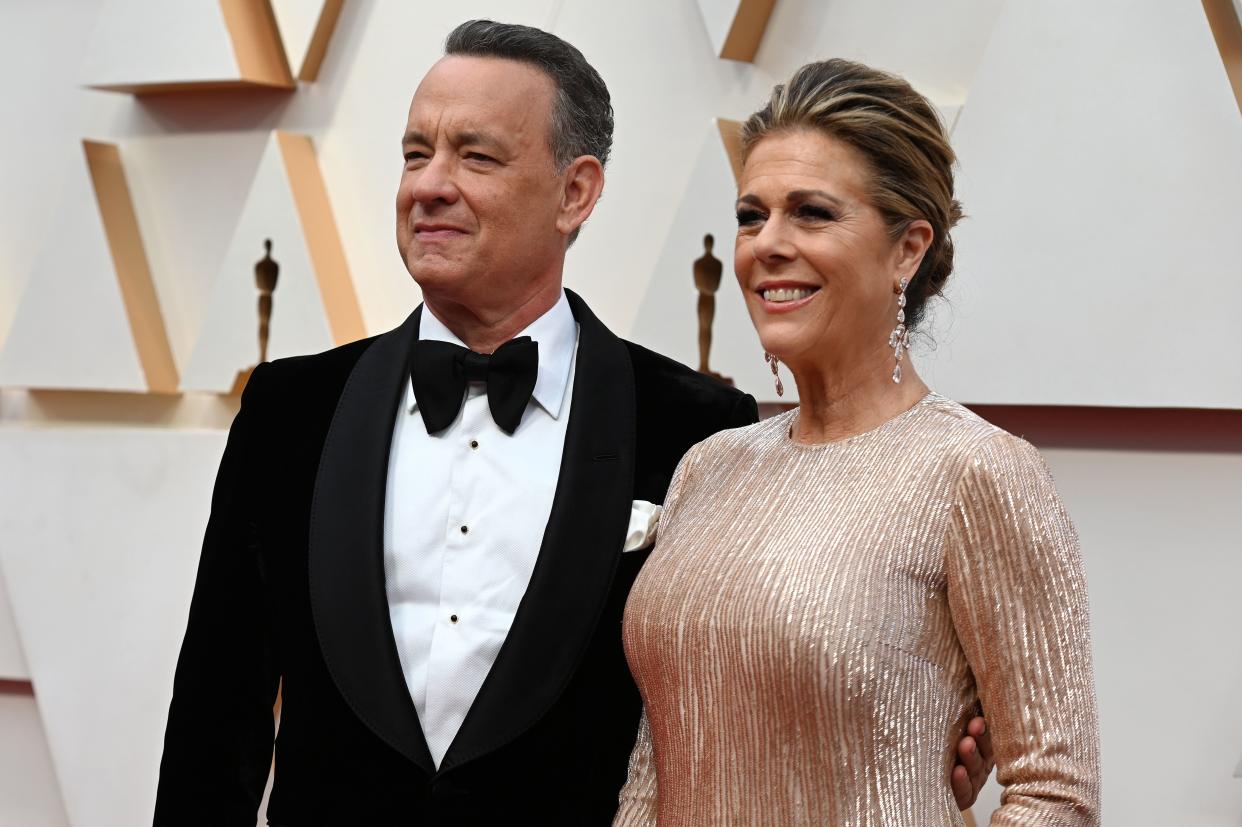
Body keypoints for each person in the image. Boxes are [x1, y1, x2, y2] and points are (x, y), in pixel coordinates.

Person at [154, 23, 993, 825]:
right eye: (417, 152)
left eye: (475, 155)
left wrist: (932, 712)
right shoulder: (289, 409)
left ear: (576, 191)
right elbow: (214, 721)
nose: (429, 183)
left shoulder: (696, 429)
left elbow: (755, 678)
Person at [616, 59, 1100, 825]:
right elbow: (654, 771)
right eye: (751, 215)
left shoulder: (976, 471)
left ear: (908, 248)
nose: (766, 244)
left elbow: (1055, 792)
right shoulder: (707, 468)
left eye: (811, 212)